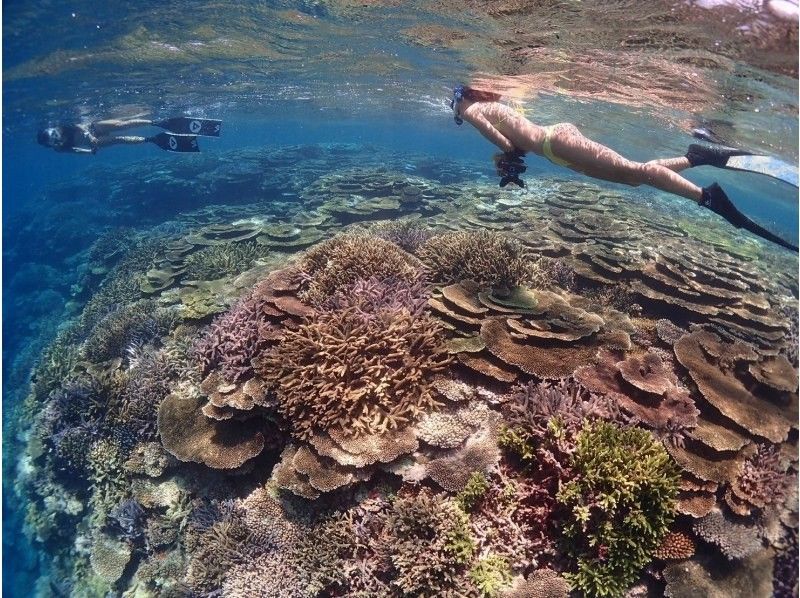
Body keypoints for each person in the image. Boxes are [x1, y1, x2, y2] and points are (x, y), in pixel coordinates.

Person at [450, 84, 797, 251]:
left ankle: (707, 198)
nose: (456, 111)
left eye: (455, 103)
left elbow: (509, 144)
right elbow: (515, 143)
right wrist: (509, 160)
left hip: (556, 144)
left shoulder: (472, 111)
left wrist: (504, 160)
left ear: (462, 97)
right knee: (634, 179)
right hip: (557, 148)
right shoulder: (488, 108)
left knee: (639, 171)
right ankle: (700, 157)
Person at [36, 116, 222, 154]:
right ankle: (151, 139)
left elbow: (81, 126)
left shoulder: (64, 125)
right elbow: (75, 151)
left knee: (121, 125)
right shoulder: (60, 149)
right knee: (119, 140)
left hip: (93, 129)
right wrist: (89, 151)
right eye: (53, 140)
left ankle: (155, 123)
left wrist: (89, 136)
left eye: (54, 133)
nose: (57, 136)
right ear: (51, 144)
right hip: (94, 142)